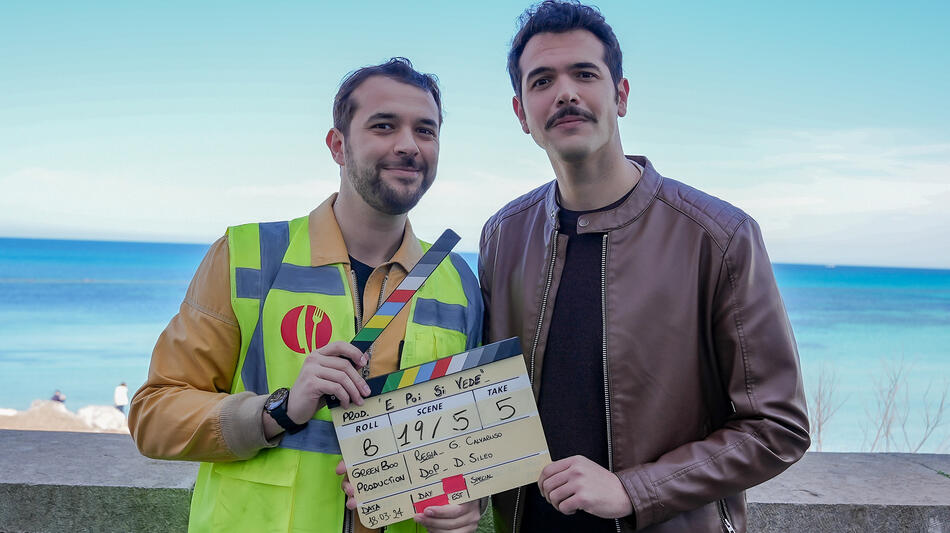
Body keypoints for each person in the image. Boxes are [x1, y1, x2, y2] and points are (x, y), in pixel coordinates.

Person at [478, 2, 810, 532]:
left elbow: (778, 427)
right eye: (542, 80)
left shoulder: (719, 236)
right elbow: (483, 401)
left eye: (585, 74)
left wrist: (634, 489)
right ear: (522, 113)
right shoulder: (503, 235)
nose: (565, 92)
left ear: (621, 95)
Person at [129, 58, 484, 533]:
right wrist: (278, 410)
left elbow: (468, 441)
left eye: (426, 130)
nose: (408, 145)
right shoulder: (247, 256)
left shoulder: (459, 281)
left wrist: (459, 503)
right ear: (338, 145)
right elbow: (154, 416)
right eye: (384, 126)